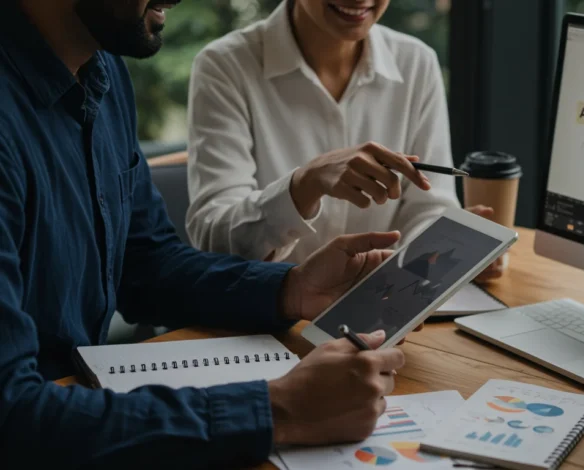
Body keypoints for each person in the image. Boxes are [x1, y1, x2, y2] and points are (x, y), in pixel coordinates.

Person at [0, 0, 412, 467]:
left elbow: (146, 263)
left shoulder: (103, 70)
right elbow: (11, 417)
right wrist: (278, 409)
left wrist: (289, 290)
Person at [185, 0, 503, 280]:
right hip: (267, 319)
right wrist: (303, 186)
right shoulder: (224, 66)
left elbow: (429, 207)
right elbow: (214, 241)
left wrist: (445, 252)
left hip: (382, 309)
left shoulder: (417, 63)